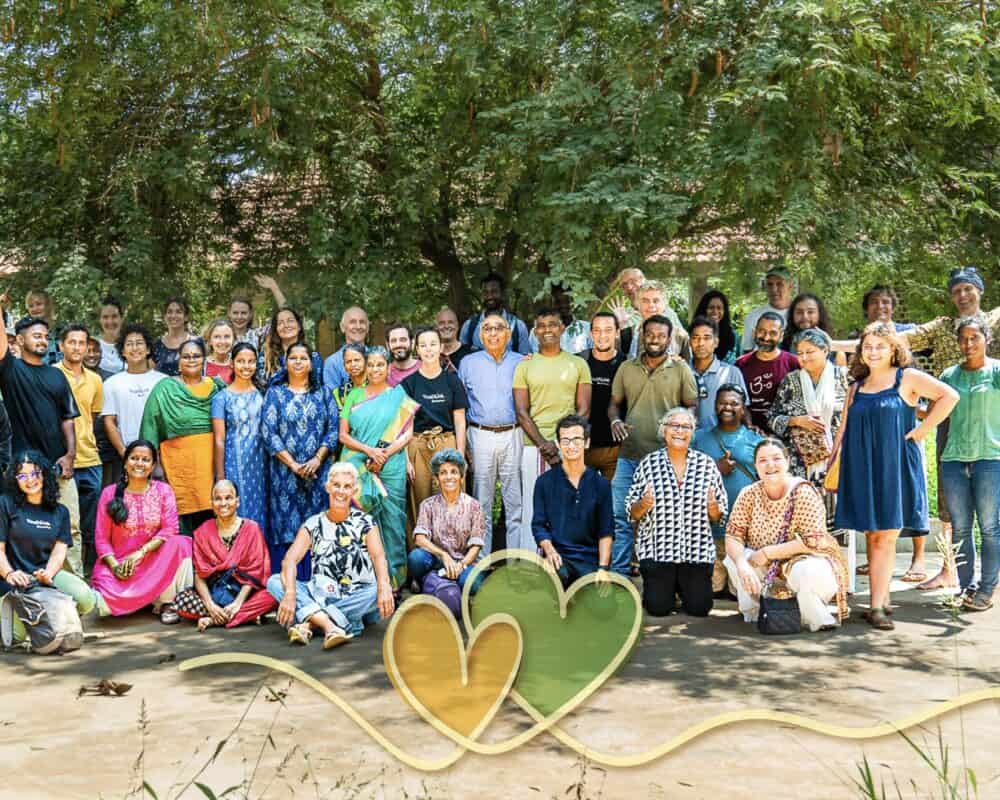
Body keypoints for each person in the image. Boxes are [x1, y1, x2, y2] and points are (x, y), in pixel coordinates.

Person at [832, 267, 1000, 590]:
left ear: (980, 291)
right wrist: (830, 343)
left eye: (968, 288)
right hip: (948, 420)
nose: (962, 295)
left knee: (992, 516)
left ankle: (990, 581)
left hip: (990, 423)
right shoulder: (941, 329)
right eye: (956, 290)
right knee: (951, 506)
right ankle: (952, 571)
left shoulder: (994, 322)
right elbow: (889, 341)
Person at [832, 322, 958, 630]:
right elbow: (843, 428)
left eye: (880, 346)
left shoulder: (907, 378)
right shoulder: (856, 387)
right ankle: (882, 598)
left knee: (886, 535)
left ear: (893, 349)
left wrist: (922, 430)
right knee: (872, 534)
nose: (873, 352)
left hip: (895, 465)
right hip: (861, 465)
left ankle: (876, 608)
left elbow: (949, 396)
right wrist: (833, 461)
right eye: (868, 346)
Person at [723, 438, 849, 632]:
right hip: (768, 569)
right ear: (755, 466)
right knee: (736, 559)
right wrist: (742, 564)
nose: (770, 465)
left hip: (806, 564)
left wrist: (767, 552)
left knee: (804, 570)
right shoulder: (748, 493)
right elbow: (733, 536)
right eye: (762, 460)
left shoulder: (803, 491)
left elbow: (812, 541)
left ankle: (812, 617)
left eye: (776, 458)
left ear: (788, 462)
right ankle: (759, 611)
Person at [608, 314, 698, 575]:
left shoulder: (680, 369)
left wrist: (680, 433)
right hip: (629, 453)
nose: (655, 340)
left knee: (664, 519)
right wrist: (615, 420)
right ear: (642, 336)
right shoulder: (626, 368)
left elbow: (692, 406)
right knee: (621, 515)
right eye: (650, 334)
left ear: (669, 340)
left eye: (661, 335)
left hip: (665, 459)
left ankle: (658, 576)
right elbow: (614, 404)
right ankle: (619, 574)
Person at [268, 463, 395, 647]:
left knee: (379, 589)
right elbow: (290, 560)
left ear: (354, 491)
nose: (341, 492)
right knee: (274, 581)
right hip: (320, 594)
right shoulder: (313, 524)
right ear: (327, 487)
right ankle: (332, 626)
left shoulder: (366, 522)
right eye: (336, 485)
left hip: (355, 596)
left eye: (347, 486)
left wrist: (384, 585)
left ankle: (310, 623)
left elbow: (379, 557)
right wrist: (290, 593)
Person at [625, 408, 726, 616]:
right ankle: (666, 590)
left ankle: (680, 589)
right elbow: (632, 513)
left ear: (692, 432)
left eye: (686, 427)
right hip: (658, 553)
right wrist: (644, 503)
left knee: (699, 608)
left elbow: (718, 517)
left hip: (696, 553)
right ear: (664, 430)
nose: (680, 431)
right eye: (674, 426)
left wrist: (713, 508)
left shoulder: (706, 465)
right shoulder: (649, 464)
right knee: (658, 608)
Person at [0, 315, 81, 572]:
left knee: (71, 527)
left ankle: (74, 582)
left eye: (46, 337)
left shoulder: (57, 376)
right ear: (19, 340)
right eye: (37, 336)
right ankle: (18, 582)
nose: (43, 341)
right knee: (17, 528)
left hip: (57, 465)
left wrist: (70, 454)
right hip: (22, 469)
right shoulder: (11, 370)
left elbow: (68, 418)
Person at [338, 347, 417, 590]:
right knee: (361, 522)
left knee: (393, 521)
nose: (374, 369)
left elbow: (407, 434)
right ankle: (366, 581)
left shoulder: (398, 394)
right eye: (370, 365)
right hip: (359, 465)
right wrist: (370, 451)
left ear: (388, 367)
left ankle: (394, 582)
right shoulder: (354, 395)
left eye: (380, 365)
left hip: (391, 465)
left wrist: (384, 454)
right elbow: (343, 435)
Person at [0, 451, 99, 643]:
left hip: (42, 574)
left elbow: (59, 551)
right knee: (16, 636)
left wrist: (48, 574)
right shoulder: (5, 504)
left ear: (44, 474)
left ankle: (50, 619)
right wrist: (9, 573)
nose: (30, 480)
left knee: (85, 598)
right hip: (10, 577)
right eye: (22, 476)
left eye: (35, 473)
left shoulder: (60, 511)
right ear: (15, 480)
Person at [513, 308, 592, 549]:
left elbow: (584, 409)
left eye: (553, 324)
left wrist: (562, 443)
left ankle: (566, 561)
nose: (547, 330)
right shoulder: (525, 366)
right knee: (533, 507)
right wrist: (544, 445)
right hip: (534, 447)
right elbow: (521, 411)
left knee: (569, 505)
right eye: (542, 325)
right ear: (535, 332)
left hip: (569, 447)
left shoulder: (578, 364)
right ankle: (532, 562)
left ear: (562, 328)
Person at [91, 440, 193, 623]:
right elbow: (101, 539)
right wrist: (115, 567)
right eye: (134, 458)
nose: (139, 463)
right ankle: (145, 598)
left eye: (145, 460)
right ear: (125, 462)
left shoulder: (163, 491)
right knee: (103, 604)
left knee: (182, 543)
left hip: (155, 561)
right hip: (122, 564)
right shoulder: (109, 493)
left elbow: (170, 528)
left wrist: (140, 553)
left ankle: (166, 602)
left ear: (153, 466)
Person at [937, 316, 1000, 611]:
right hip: (953, 461)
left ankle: (986, 590)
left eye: (975, 337)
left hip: (990, 459)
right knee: (960, 529)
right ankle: (966, 588)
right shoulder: (949, 375)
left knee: (990, 528)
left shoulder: (996, 371)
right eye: (963, 338)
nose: (968, 343)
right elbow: (936, 414)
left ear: (987, 339)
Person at [262, 342, 340, 575]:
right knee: (286, 525)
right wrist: (293, 464)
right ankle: (286, 582)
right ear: (285, 363)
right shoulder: (275, 394)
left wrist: (317, 459)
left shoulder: (324, 393)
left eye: (303, 358)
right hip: (283, 474)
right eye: (293, 358)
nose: (298, 362)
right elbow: (269, 432)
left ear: (311, 364)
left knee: (318, 524)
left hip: (319, 473)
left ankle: (319, 579)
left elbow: (333, 430)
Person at [139, 338, 225, 536]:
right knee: (180, 524)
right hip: (177, 470)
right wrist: (154, 467)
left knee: (212, 522)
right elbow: (150, 428)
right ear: (179, 361)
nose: (191, 360)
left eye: (196, 356)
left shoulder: (217, 388)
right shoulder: (164, 389)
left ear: (204, 359)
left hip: (210, 469)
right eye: (186, 356)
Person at [457, 312, 525, 556]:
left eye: (498, 328)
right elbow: (460, 405)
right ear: (480, 334)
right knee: (481, 502)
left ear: (508, 333)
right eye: (487, 328)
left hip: (513, 433)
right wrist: (465, 445)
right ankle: (482, 562)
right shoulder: (468, 363)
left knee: (515, 502)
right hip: (480, 435)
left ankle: (516, 561)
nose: (493, 333)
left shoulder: (522, 361)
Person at [767, 329, 849, 522]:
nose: (804, 357)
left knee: (838, 519)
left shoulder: (844, 377)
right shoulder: (791, 381)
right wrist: (796, 421)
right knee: (803, 518)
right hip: (800, 461)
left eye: (810, 352)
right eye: (800, 353)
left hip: (839, 457)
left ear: (825, 350)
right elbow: (772, 417)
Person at [173, 480, 277, 631]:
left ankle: (215, 620)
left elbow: (254, 574)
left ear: (237, 501)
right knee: (181, 600)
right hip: (215, 594)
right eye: (218, 499)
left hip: (244, 595)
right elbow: (199, 575)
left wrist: (237, 603)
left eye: (228, 498)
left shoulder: (251, 529)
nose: (223, 503)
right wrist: (210, 605)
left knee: (274, 593)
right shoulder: (202, 531)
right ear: (211, 503)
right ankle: (240, 616)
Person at [692, 385, 763, 596]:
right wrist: (715, 467)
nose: (728, 407)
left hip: (743, 535)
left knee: (739, 594)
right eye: (722, 403)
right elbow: (684, 474)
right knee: (710, 592)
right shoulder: (698, 438)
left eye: (734, 403)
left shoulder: (756, 441)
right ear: (715, 406)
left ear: (743, 408)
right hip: (707, 533)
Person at [532, 415, 613, 586]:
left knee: (603, 601)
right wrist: (549, 551)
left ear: (587, 443)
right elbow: (539, 525)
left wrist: (603, 569)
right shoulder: (544, 482)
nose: (571, 446)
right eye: (565, 441)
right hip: (558, 559)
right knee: (552, 579)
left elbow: (606, 531)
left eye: (577, 440)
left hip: (590, 561)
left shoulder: (601, 484)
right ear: (558, 444)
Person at [408, 449, 486, 617]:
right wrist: (443, 555)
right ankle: (432, 581)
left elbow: (476, 545)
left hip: (463, 563)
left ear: (462, 477)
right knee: (416, 558)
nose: (449, 477)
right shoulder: (428, 505)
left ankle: (446, 587)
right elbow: (420, 538)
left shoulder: (474, 506)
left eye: (454, 472)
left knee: (474, 583)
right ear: (436, 479)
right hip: (435, 561)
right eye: (443, 473)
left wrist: (461, 565)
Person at [401, 327, 468, 517]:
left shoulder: (452, 381)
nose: (428, 349)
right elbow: (404, 424)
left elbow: (460, 421)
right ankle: (421, 537)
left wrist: (460, 455)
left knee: (450, 502)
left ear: (441, 348)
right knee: (420, 503)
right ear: (417, 349)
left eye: (433, 344)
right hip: (418, 446)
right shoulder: (409, 384)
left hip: (446, 444)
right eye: (423, 345)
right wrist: (406, 460)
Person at [56, 324, 105, 575]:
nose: (77, 347)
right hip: (62, 458)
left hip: (91, 458)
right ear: (61, 345)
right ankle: (69, 575)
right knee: (68, 521)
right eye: (71, 342)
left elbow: (92, 416)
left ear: (87, 348)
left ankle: (87, 574)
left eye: (81, 343)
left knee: (90, 523)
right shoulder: (52, 374)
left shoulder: (95, 380)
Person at [211, 343, 268, 540]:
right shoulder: (221, 398)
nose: (246, 366)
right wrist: (220, 476)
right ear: (232, 363)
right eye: (241, 361)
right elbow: (219, 439)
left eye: (251, 361)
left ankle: (260, 555)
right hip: (235, 464)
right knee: (238, 510)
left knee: (262, 511)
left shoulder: (263, 393)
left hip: (262, 464)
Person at [101, 324, 166, 471]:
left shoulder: (164, 381)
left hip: (161, 454)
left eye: (139, 343)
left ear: (148, 349)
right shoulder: (112, 383)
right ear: (123, 351)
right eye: (129, 344)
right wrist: (124, 452)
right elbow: (109, 421)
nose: (135, 348)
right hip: (128, 453)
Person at [736, 312, 799, 432]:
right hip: (749, 431)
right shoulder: (740, 364)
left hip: (785, 432)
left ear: (781, 335)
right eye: (762, 331)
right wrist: (749, 426)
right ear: (754, 332)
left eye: (773, 333)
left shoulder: (794, 363)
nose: (766, 337)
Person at [582, 311, 626, 480]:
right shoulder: (579, 361)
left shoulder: (627, 364)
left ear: (617, 332)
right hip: (584, 448)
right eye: (597, 330)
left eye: (608, 330)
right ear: (591, 333)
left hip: (615, 449)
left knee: (613, 496)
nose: (602, 336)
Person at [689, 316, 747, 430]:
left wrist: (749, 427)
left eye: (706, 338)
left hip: (719, 437)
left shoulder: (731, 372)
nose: (701, 343)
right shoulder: (682, 370)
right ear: (690, 342)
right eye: (695, 338)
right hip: (685, 436)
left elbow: (743, 408)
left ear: (716, 342)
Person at [458, 272, 532, 355]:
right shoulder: (469, 326)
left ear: (502, 294)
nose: (489, 296)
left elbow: (525, 359)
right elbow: (462, 357)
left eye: (494, 292)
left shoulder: (518, 326)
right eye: (485, 292)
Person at [619, 280, 691, 361]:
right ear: (638, 304)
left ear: (665, 304)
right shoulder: (627, 335)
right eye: (645, 301)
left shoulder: (680, 336)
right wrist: (620, 325)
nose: (651, 305)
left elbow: (689, 366)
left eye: (656, 301)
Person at [258, 307, 324, 389]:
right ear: (276, 330)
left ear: (299, 326)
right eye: (280, 323)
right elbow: (261, 387)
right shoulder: (266, 356)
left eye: (290, 321)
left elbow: (318, 387)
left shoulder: (313, 356)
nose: (286, 325)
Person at [780, 293, 846, 366]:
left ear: (819, 314)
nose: (805, 316)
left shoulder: (836, 353)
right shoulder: (782, 348)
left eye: (810, 312)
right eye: (799, 312)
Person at [741, 266, 794, 351]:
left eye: (779, 284)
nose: (774, 289)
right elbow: (747, 350)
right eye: (770, 284)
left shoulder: (801, 314)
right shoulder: (753, 316)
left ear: (791, 286)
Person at [227, 274, 288, 348]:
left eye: (244, 313)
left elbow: (286, 315)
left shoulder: (257, 334)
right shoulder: (221, 335)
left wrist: (274, 288)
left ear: (250, 314)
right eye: (235, 313)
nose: (239, 317)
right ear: (229, 314)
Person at [528, 284, 592, 354]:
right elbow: (533, 357)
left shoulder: (587, 328)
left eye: (567, 301)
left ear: (573, 301)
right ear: (552, 303)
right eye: (558, 302)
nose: (563, 305)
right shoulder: (538, 332)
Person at [322, 306, 370, 388]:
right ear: (342, 327)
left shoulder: (378, 357)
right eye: (352, 322)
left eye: (362, 322)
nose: (358, 326)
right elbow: (331, 394)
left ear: (368, 327)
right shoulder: (332, 363)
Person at [692, 290, 741, 364]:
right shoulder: (692, 334)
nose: (715, 311)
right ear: (703, 309)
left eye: (719, 308)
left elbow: (738, 361)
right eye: (711, 307)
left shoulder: (733, 336)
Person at [151, 297, 191, 376]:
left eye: (178, 312)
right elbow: (150, 375)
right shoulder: (156, 346)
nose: (173, 315)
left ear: (186, 317)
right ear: (165, 316)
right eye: (169, 312)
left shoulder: (196, 342)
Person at [25, 289, 61, 365]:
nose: (35, 309)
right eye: (31, 306)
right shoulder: (26, 332)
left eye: (38, 304)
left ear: (48, 305)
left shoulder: (62, 329)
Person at [607, 267, 646, 333]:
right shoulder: (623, 313)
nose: (629, 287)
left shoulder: (659, 309)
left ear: (643, 281)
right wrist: (620, 325)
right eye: (624, 285)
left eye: (633, 281)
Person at [331, 343, 367, 410]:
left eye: (357, 360)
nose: (353, 364)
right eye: (348, 361)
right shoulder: (338, 393)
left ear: (366, 362)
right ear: (344, 366)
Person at [96, 295, 125, 374]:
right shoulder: (92, 348)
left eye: (114, 316)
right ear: (100, 320)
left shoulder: (132, 347)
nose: (110, 321)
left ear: (121, 319)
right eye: (105, 317)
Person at [202, 319, 236, 384]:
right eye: (217, 337)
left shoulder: (238, 363)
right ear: (209, 340)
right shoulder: (201, 365)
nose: (222, 341)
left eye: (227, 336)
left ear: (233, 339)